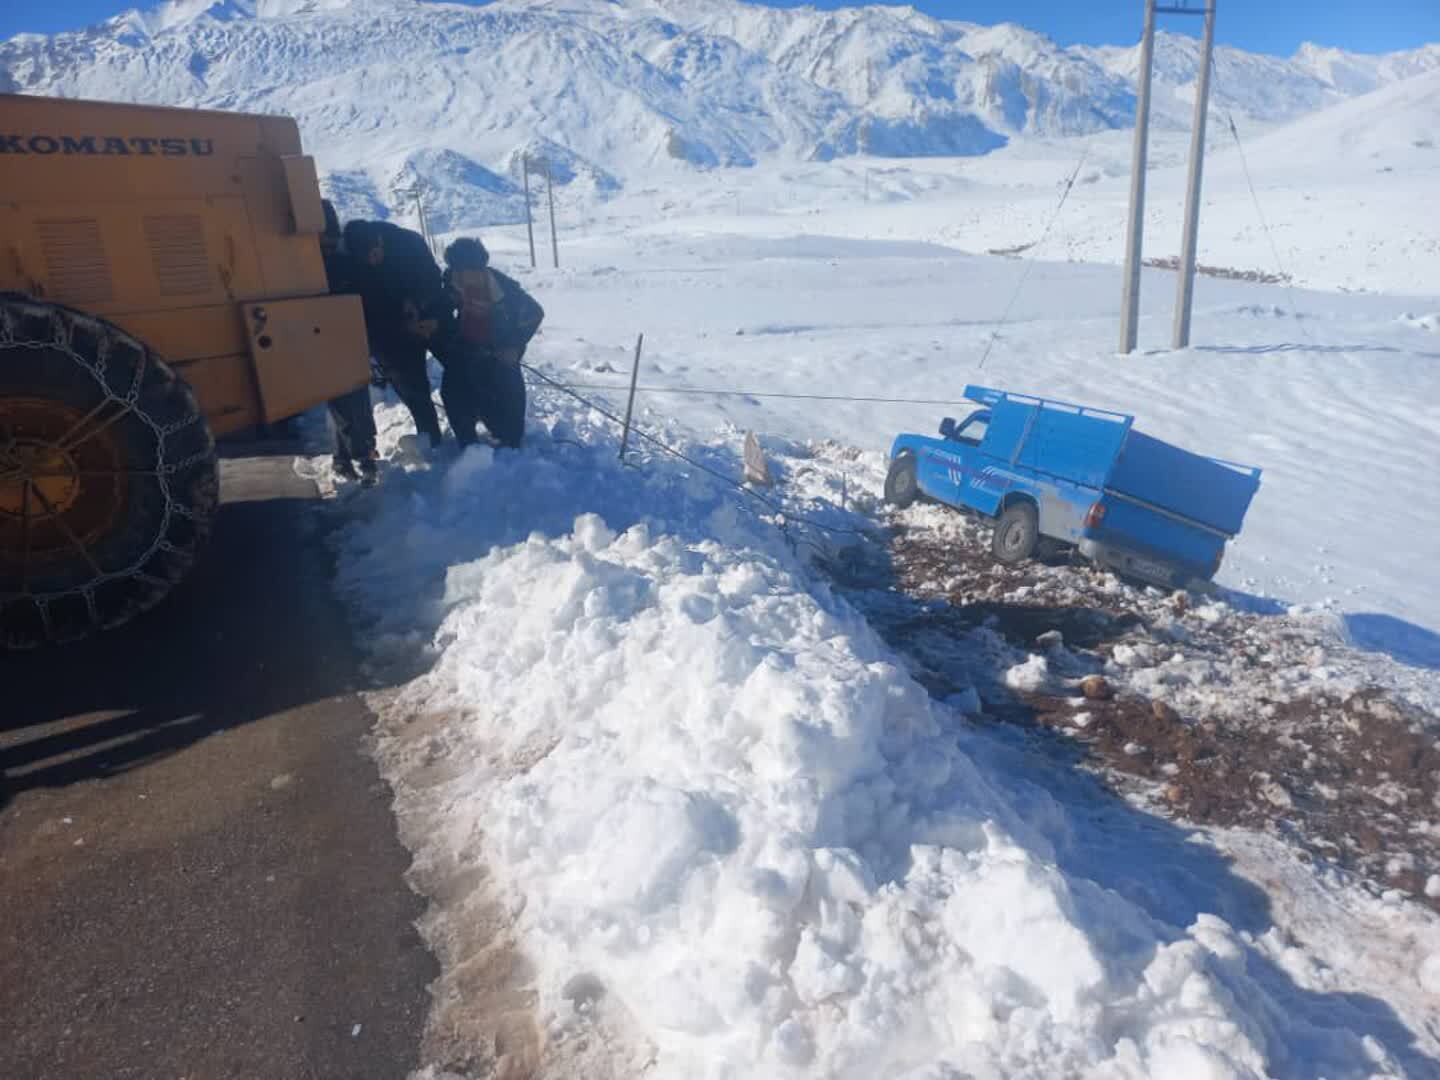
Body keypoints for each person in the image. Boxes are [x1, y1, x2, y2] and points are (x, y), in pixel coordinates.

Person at [342, 219, 448, 449]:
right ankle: (430, 440)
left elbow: (432, 280)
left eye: (374, 254)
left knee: (459, 367)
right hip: (392, 331)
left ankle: (473, 422)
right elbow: (364, 307)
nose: (372, 262)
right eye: (365, 259)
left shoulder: (409, 243)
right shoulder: (354, 262)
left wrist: (418, 304)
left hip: (429, 316)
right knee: (412, 387)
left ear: (379, 241)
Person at [435, 237, 543, 449]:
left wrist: (514, 346)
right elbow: (441, 307)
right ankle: (468, 444)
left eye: (461, 271)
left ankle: (507, 438)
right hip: (465, 352)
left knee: (509, 428)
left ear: (477, 268)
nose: (456, 275)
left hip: (499, 356)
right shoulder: (452, 281)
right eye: (454, 270)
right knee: (452, 392)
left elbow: (534, 313)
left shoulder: (505, 290)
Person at [320, 201, 379, 485]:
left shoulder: (344, 264)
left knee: (350, 402)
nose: (328, 245)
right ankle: (350, 458)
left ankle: (357, 456)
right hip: (331, 341)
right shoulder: (340, 264)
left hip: (347, 341)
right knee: (343, 404)